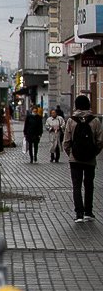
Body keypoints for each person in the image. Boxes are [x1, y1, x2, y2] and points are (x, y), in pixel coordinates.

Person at [62, 94, 103, 222]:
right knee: (89, 185)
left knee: (76, 185)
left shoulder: (71, 120)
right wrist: (94, 153)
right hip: (90, 159)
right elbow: (100, 141)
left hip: (75, 159)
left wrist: (71, 154)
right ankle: (88, 212)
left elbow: (66, 142)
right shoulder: (95, 120)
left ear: (76, 105)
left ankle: (79, 214)